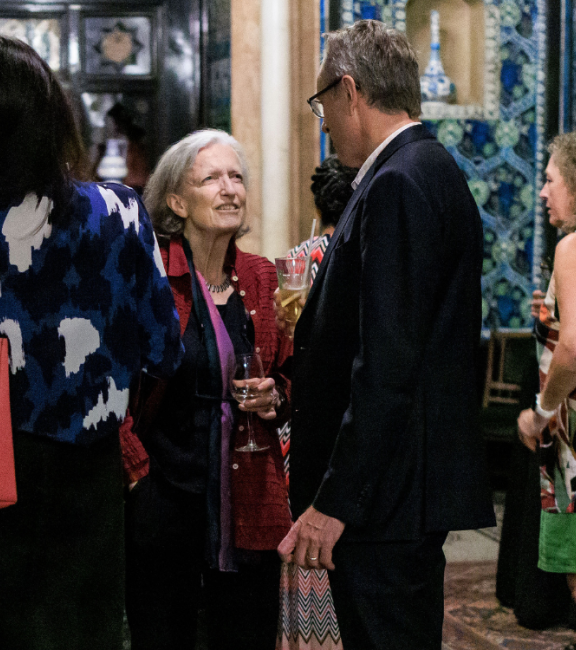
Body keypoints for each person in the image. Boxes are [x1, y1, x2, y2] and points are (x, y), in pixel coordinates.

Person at [277, 20, 495, 650]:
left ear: (349, 90)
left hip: (385, 496)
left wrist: (335, 499)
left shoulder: (398, 180)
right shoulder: (423, 166)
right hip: (400, 487)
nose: (322, 121)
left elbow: (388, 360)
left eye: (321, 104)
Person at [0, 36, 183, 650]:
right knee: (86, 626)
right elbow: (165, 347)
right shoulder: (121, 211)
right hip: (90, 462)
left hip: (2, 458)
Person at [124, 129, 293, 650]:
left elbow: (290, 374)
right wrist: (136, 475)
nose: (229, 189)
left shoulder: (264, 278)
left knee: (246, 633)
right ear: (177, 200)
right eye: (212, 178)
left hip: (249, 496)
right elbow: (116, 384)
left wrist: (275, 397)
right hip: (166, 498)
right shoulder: (150, 278)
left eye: (237, 177)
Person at [278, 155, 357, 650]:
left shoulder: (296, 260)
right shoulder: (359, 254)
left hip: (305, 406)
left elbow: (284, 343)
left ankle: (307, 633)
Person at [517, 132, 576, 647]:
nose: (542, 192)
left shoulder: (572, 247)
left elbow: (574, 349)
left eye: (551, 180)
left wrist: (540, 411)